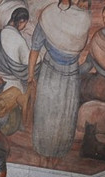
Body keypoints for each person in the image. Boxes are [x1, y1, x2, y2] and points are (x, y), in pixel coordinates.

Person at [27, 0, 93, 159]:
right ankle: (59, 150)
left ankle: (44, 149)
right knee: (64, 112)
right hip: (70, 74)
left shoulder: (49, 14)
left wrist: (30, 76)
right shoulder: (84, 18)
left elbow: (35, 48)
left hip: (50, 71)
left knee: (47, 110)